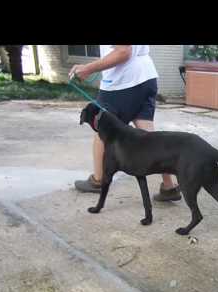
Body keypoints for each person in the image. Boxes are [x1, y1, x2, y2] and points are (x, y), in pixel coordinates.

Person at [70, 45, 181, 202]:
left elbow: (123, 51)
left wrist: (88, 68)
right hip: (146, 76)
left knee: (102, 129)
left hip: (122, 81)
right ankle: (170, 186)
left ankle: (98, 180)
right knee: (149, 135)